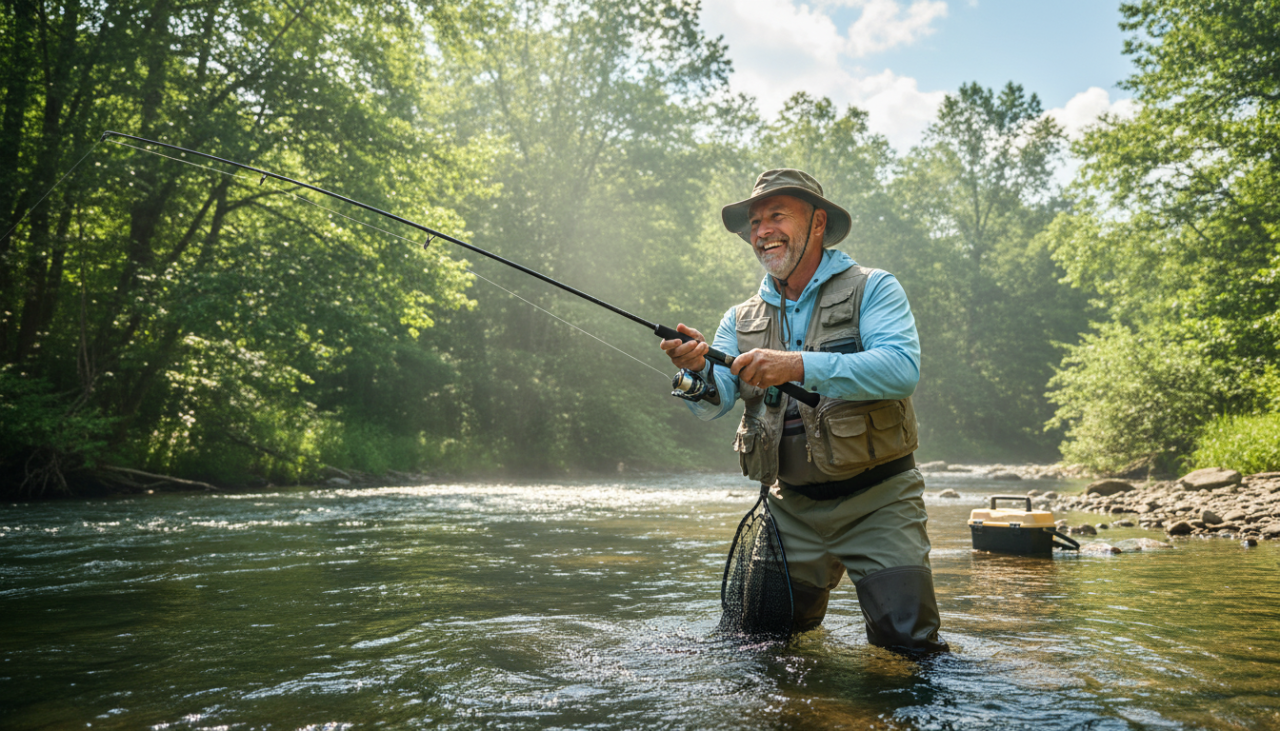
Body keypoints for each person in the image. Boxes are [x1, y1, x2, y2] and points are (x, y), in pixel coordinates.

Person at [660, 169, 947, 654]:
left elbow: (901, 370)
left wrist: (795, 365)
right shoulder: (739, 318)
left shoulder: (873, 288)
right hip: (788, 509)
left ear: (817, 223)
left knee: (908, 649)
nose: (762, 231)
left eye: (777, 216)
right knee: (762, 648)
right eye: (755, 222)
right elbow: (717, 401)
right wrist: (695, 372)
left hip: (879, 501)